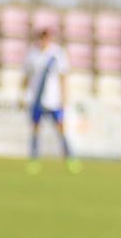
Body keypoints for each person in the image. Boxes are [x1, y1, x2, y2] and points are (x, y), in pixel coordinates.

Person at [19, 27, 79, 173]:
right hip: (36, 99)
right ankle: (34, 159)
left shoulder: (57, 53)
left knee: (60, 129)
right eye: (41, 37)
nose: (43, 40)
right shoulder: (32, 54)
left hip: (54, 100)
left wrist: (64, 97)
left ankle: (70, 158)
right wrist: (22, 95)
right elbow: (26, 77)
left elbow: (63, 76)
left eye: (46, 37)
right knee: (35, 129)